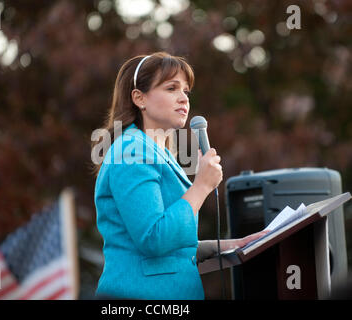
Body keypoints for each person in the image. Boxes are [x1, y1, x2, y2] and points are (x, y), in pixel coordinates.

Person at [91, 52, 268, 300]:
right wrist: (202, 186)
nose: (183, 97)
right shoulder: (132, 151)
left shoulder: (155, 152)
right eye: (171, 88)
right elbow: (153, 239)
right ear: (139, 98)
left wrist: (229, 245)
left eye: (186, 91)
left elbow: (172, 246)